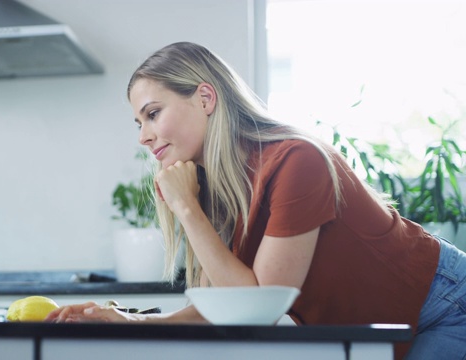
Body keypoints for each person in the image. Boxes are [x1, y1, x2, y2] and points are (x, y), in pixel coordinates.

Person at [45, 42, 466, 359]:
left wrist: (186, 208)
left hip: (445, 306)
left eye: (153, 113)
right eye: (138, 122)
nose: (143, 136)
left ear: (205, 99)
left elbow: (253, 308)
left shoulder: (297, 161)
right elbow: (225, 307)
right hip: (385, 330)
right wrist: (129, 321)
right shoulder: (214, 187)